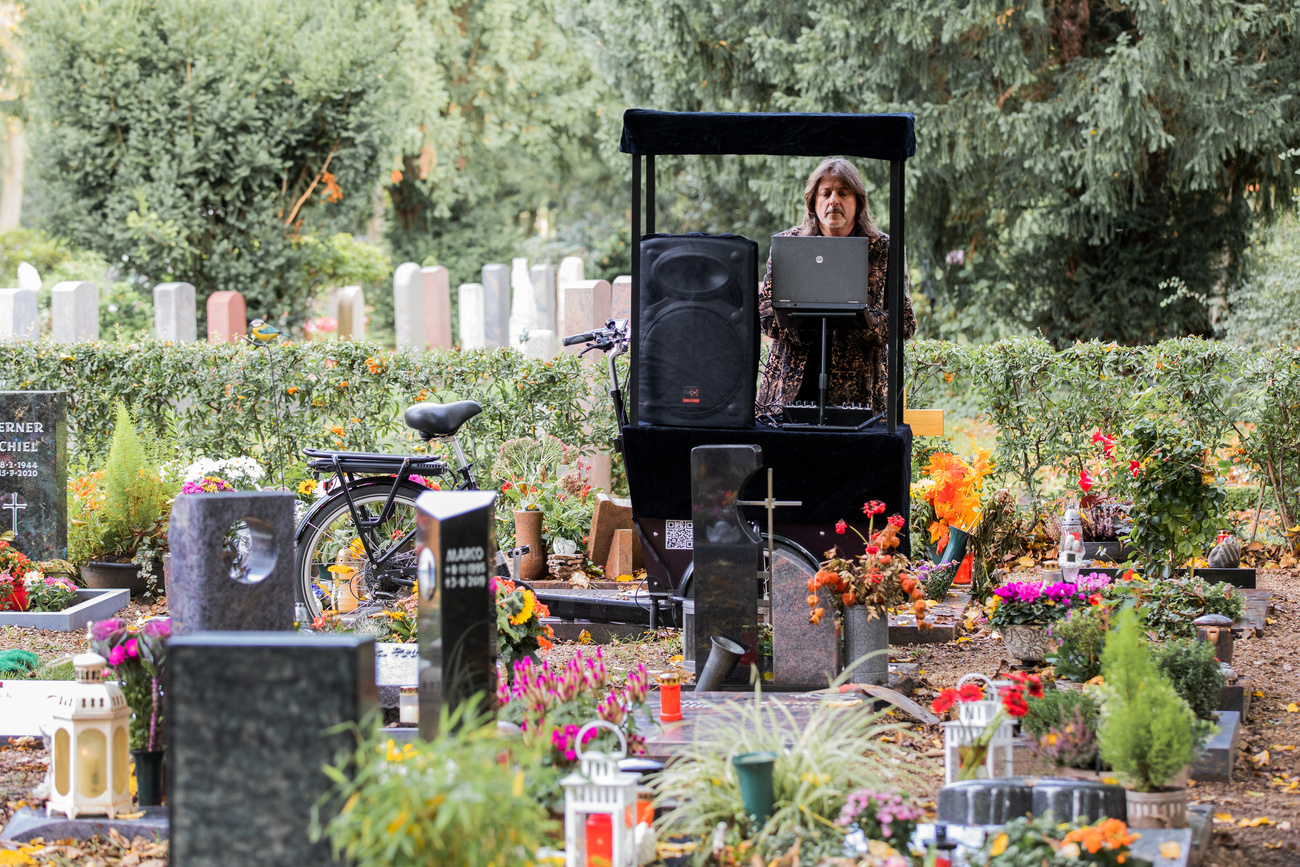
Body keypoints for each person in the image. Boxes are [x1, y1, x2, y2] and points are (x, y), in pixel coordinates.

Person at [756, 157, 916, 416]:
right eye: (826, 193)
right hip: (790, 389)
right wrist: (803, 323)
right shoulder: (788, 244)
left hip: (861, 395)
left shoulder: (884, 250)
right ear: (813, 201)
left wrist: (859, 318)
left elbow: (905, 323)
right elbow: (764, 311)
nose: (834, 201)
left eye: (843, 193)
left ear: (858, 202)